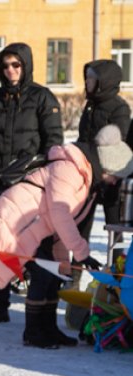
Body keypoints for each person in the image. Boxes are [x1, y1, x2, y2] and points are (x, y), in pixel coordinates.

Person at [0, 127, 128, 348]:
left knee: (54, 275)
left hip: (35, 226)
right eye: (115, 176)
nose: (114, 181)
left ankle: (49, 328)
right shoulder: (70, 169)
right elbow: (60, 213)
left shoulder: (87, 181)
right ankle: (33, 331)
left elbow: (60, 225)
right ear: (107, 165)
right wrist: (82, 253)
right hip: (16, 220)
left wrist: (64, 261)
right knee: (42, 275)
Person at [0, 42, 63, 324]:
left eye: (16, 65)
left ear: (25, 65)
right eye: (5, 66)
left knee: (38, 246)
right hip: (0, 182)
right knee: (0, 245)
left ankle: (41, 312)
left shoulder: (42, 97)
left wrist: (42, 175)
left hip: (30, 184)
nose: (11, 70)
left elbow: (53, 143)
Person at [76, 60, 131, 250]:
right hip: (87, 173)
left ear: (104, 81)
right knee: (80, 228)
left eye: (92, 78)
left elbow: (118, 142)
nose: (87, 82)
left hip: (110, 177)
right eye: (87, 77)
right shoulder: (90, 105)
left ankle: (117, 273)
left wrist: (109, 173)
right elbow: (84, 136)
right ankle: (74, 276)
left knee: (114, 228)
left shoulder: (119, 107)